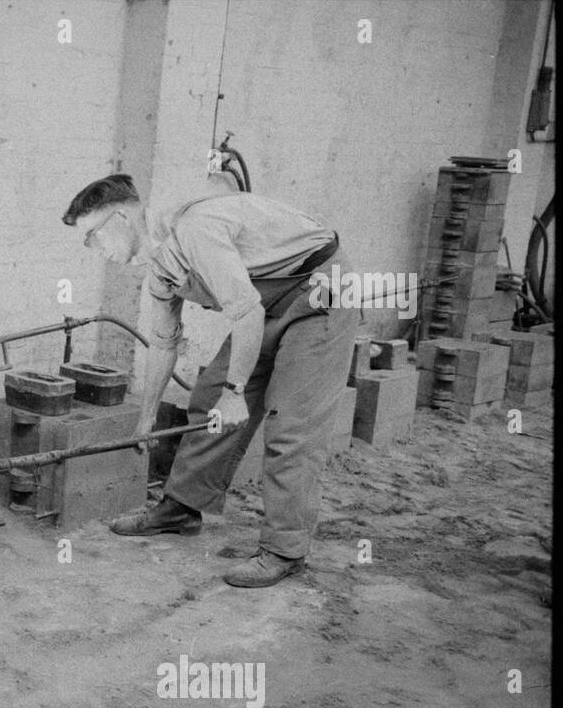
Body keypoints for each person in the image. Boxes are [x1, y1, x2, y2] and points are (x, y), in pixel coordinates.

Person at [64, 174, 360, 587]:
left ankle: (284, 550)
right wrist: (145, 420)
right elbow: (164, 346)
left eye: (93, 237)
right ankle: (182, 507)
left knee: (291, 423)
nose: (96, 250)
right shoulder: (160, 273)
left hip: (320, 291)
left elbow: (246, 313)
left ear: (121, 218)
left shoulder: (195, 230)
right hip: (264, 301)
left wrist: (237, 392)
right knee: (208, 399)